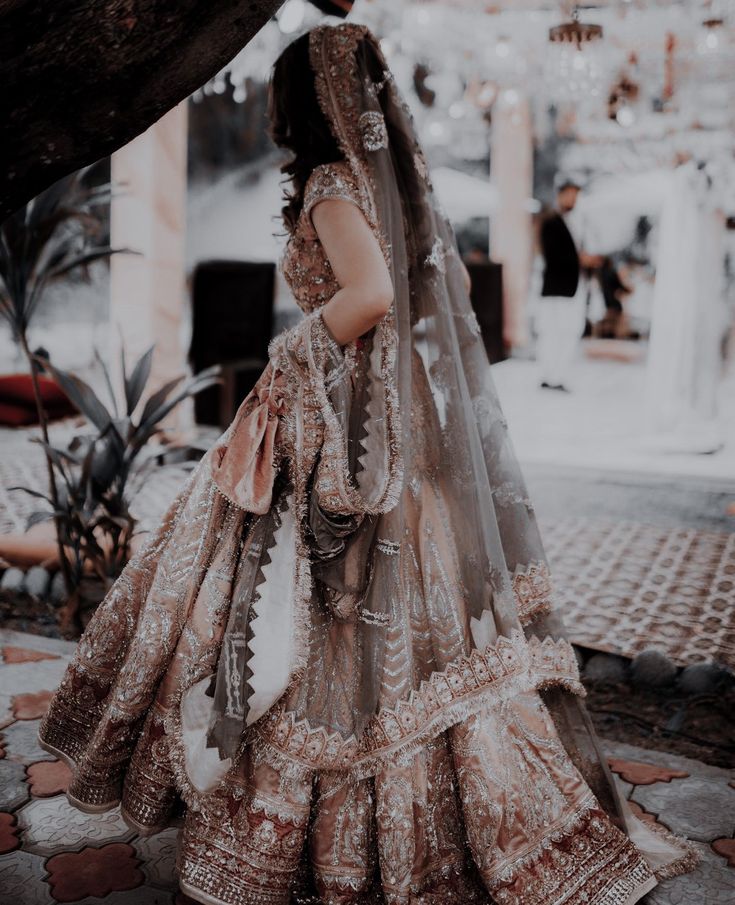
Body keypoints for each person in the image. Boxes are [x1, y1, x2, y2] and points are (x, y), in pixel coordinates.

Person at [39, 24, 695, 905]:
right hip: (372, 408)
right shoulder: (369, 185)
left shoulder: (328, 183)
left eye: (277, 92)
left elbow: (373, 295)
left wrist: (292, 348)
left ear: (303, 100)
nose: (268, 109)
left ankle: (336, 819)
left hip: (336, 411)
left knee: (322, 603)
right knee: (383, 610)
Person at [537, 178, 601, 391]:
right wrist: (581, 259)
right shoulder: (550, 222)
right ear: (560, 195)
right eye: (570, 194)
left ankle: (559, 375)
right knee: (553, 332)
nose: (573, 199)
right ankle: (551, 376)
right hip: (557, 288)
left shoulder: (579, 222)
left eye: (576, 195)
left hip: (574, 287)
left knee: (570, 332)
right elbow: (551, 255)